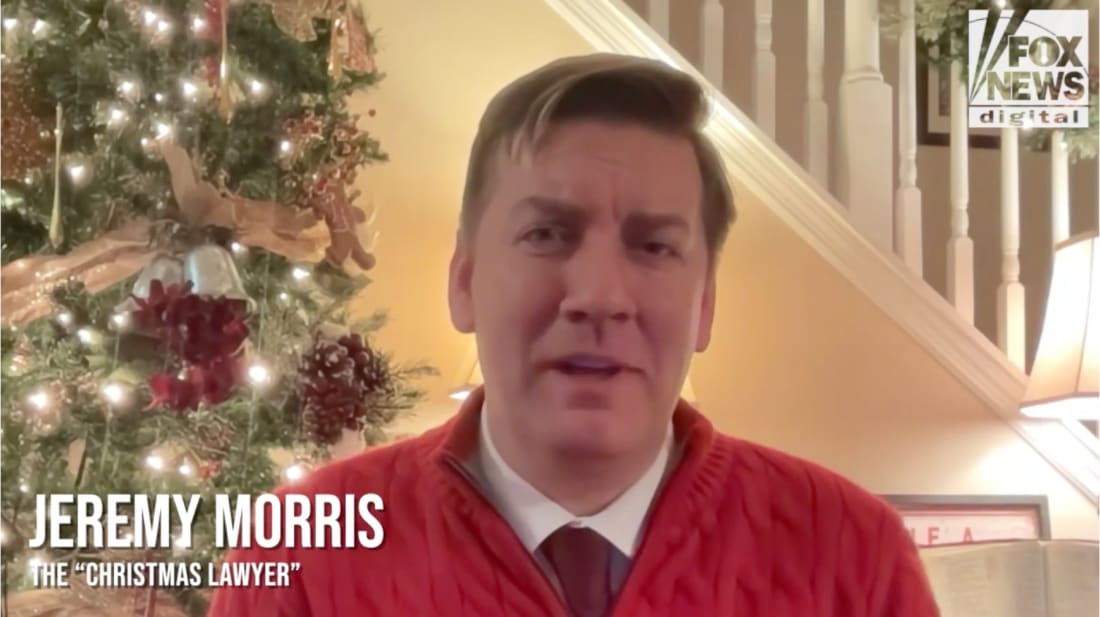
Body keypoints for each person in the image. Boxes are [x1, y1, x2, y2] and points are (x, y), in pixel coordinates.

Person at [207, 53, 940, 617]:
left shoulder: (853, 552)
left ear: (705, 304)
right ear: (464, 281)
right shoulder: (301, 550)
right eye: (547, 234)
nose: (599, 297)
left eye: (654, 246)